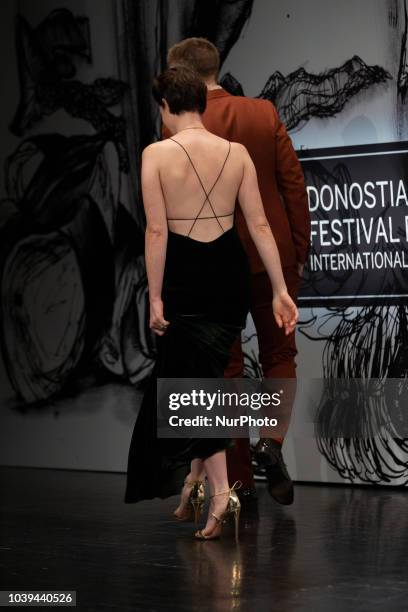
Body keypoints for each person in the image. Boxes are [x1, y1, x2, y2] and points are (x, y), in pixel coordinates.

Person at [124, 65, 298, 540]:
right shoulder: (236, 153)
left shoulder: (155, 155)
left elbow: (157, 230)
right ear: (202, 101)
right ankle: (198, 482)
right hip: (228, 274)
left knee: (195, 387)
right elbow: (260, 226)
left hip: (183, 274)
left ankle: (220, 494)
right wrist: (280, 288)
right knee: (199, 381)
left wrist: (155, 296)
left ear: (165, 106)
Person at [165, 38, 311, 505]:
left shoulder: (177, 127)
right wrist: (298, 254)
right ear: (216, 67)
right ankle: (272, 440)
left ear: (179, 75)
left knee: (223, 367)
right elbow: (293, 186)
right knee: (279, 354)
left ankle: (238, 482)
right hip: (272, 258)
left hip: (211, 263)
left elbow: (170, 208)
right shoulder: (263, 113)